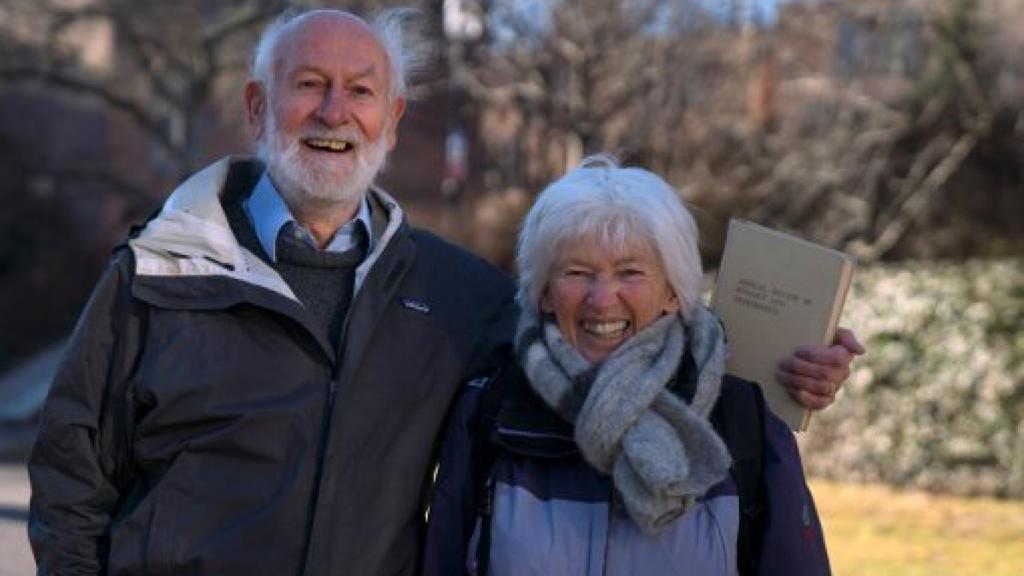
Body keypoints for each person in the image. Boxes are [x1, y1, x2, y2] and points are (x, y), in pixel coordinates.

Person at [27, 8, 860, 576]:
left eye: (360, 91)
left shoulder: (457, 295)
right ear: (258, 105)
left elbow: (612, 333)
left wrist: (789, 362)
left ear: (391, 121)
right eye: (308, 83)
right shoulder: (159, 271)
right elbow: (72, 475)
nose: (333, 110)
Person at [423, 157, 839, 576]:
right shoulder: (490, 413)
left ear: (673, 293)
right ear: (544, 292)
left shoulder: (743, 421)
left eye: (631, 272)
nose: (602, 298)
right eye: (577, 271)